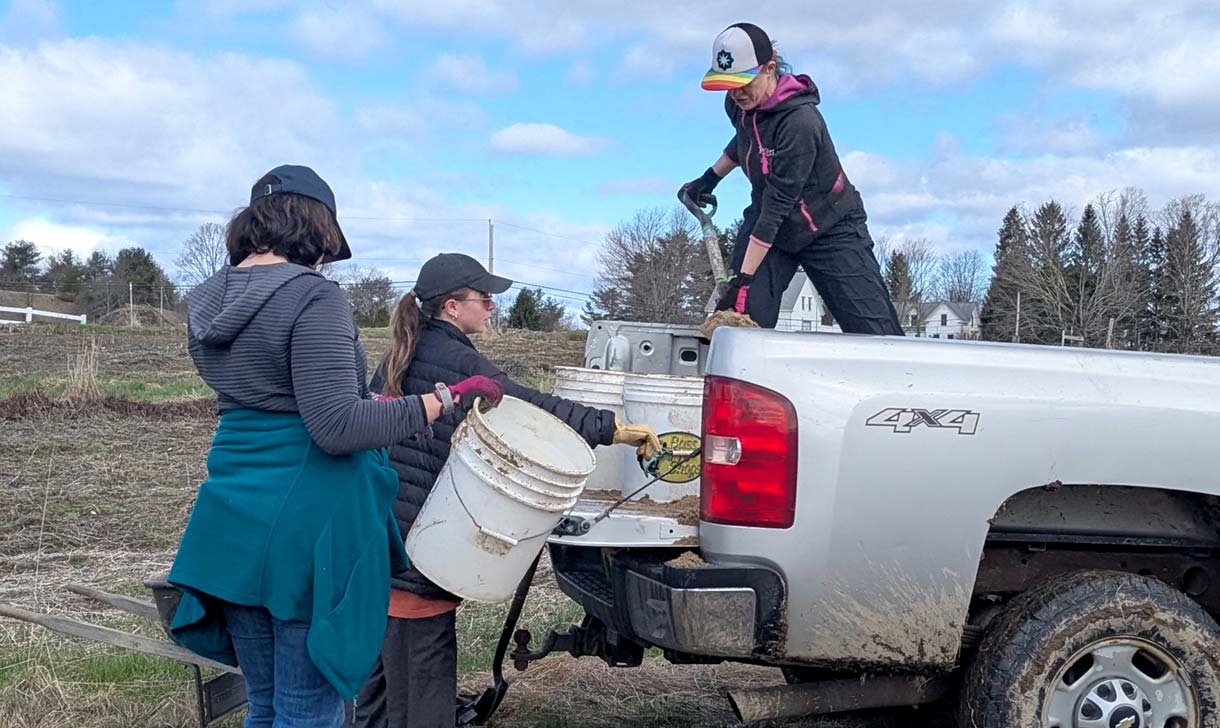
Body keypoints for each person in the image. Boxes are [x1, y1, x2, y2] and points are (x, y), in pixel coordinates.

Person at [166, 165, 504, 728]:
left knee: (267, 704)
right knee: (309, 711)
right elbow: (337, 426)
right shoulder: (311, 298)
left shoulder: (206, 302)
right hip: (305, 531)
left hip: (232, 518)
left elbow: (272, 407)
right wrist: (444, 399)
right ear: (316, 224)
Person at [354, 253, 662, 728]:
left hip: (381, 540)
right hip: (422, 549)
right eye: (484, 298)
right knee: (425, 688)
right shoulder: (456, 360)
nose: (493, 306)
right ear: (453, 307)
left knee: (379, 683)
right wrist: (613, 427)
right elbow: (530, 408)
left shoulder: (403, 352)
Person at [683, 22, 904, 335]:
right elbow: (747, 140)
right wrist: (709, 178)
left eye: (745, 82)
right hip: (768, 225)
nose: (737, 92)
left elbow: (778, 205)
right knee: (739, 323)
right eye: (729, 85)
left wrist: (744, 280)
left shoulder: (801, 122)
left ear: (769, 67)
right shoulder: (738, 104)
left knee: (877, 336)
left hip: (829, 228)